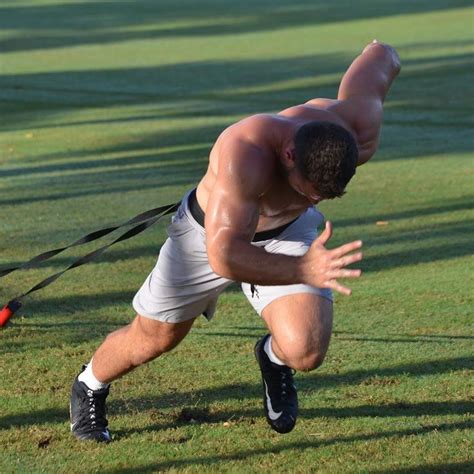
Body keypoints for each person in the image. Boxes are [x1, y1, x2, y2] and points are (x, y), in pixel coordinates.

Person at [70, 40, 401, 442]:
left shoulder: (358, 127)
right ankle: (90, 384)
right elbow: (224, 255)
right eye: (309, 190)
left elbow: (379, 66)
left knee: (306, 350)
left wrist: (380, 50)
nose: (314, 200)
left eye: (325, 198)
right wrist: (303, 269)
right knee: (155, 337)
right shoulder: (244, 151)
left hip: (286, 231)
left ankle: (273, 358)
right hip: (210, 235)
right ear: (290, 154)